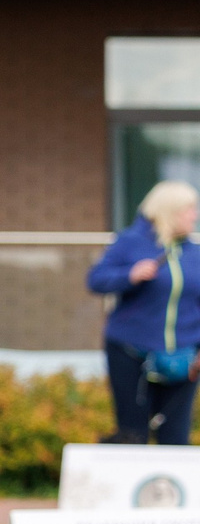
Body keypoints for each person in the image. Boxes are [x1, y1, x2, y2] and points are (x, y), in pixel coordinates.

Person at [89, 179, 200, 445]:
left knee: (175, 437)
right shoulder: (130, 243)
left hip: (183, 358)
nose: (195, 215)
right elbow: (96, 280)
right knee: (132, 435)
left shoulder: (194, 253)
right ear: (169, 211)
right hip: (131, 351)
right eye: (190, 208)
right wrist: (131, 275)